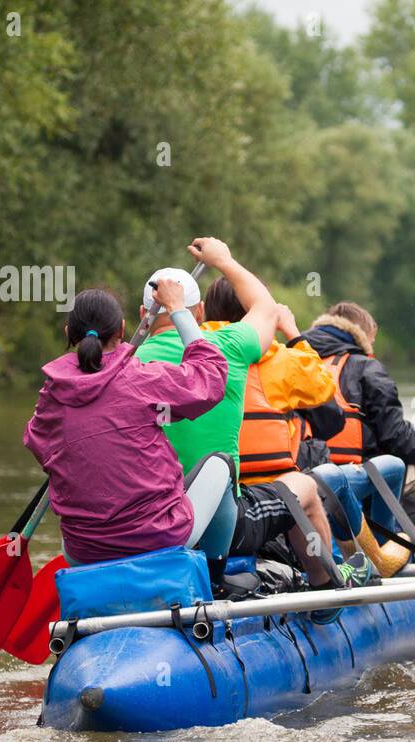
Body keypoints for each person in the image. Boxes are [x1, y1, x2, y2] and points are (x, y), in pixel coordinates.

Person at [134, 239, 354, 591]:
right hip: (221, 528)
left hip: (144, 524)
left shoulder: (120, 368)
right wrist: (224, 260)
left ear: (141, 316)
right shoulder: (229, 348)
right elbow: (264, 307)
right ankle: (326, 589)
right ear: (200, 314)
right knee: (308, 488)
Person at [23, 283, 237, 568]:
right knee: (221, 464)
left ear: (68, 333)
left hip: (83, 552)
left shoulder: (50, 396)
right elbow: (211, 375)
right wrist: (177, 311)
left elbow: (39, 444)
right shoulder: (140, 377)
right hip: (161, 537)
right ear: (122, 329)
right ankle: (216, 579)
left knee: (75, 532)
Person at [302, 301, 415, 529]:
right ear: (363, 334)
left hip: (306, 480)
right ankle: (399, 537)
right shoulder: (366, 367)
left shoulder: (293, 359)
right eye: (372, 341)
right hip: (356, 481)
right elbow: (397, 440)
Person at [200, 276, 342, 487]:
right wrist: (292, 333)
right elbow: (324, 386)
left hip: (212, 491)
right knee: (334, 473)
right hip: (276, 490)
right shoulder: (283, 360)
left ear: (204, 311)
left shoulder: (189, 353)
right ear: (265, 315)